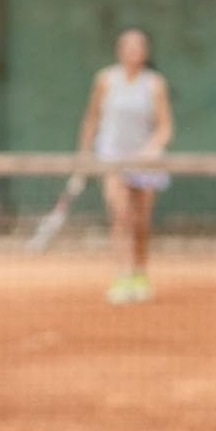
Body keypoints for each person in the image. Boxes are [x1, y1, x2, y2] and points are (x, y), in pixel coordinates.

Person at [78, 28, 174, 304]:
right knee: (121, 217)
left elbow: (165, 127)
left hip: (146, 162)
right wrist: (84, 154)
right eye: (128, 47)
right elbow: (92, 119)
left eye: (138, 47)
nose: (133, 52)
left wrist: (150, 151)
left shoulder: (155, 84)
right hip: (112, 158)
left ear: (145, 52)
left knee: (141, 222)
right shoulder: (105, 80)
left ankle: (140, 273)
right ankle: (123, 275)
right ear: (120, 51)